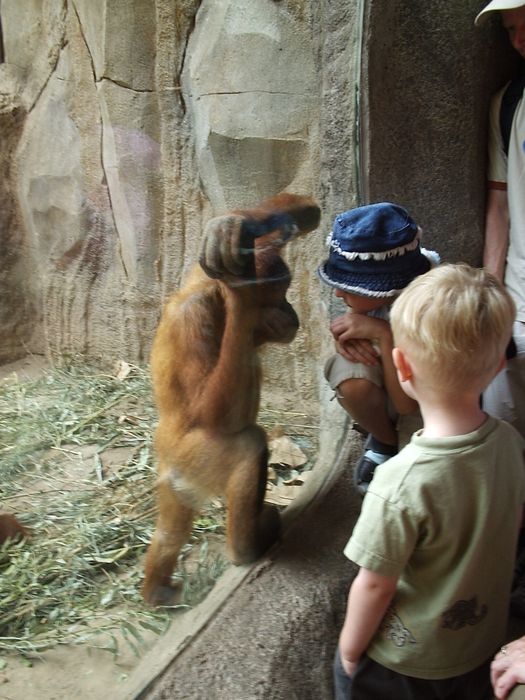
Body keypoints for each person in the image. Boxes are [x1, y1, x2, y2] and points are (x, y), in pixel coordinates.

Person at [333, 263, 525, 699]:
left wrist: (348, 652)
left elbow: (375, 583)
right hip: (478, 646)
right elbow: (510, 524)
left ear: (400, 364)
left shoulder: (399, 483)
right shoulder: (511, 443)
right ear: (498, 365)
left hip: (404, 666)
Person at [317, 202, 439, 493]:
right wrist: (348, 336)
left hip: (424, 400)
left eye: (349, 286)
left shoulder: (427, 310)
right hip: (394, 379)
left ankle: (398, 444)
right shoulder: (371, 300)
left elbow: (407, 405)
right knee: (349, 378)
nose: (337, 292)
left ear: (384, 288)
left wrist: (384, 336)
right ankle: (385, 440)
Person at [475, 1, 525, 438]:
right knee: (505, 440)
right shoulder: (508, 104)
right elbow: (499, 204)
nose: (519, 40)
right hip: (520, 306)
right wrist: (492, 302)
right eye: (511, 28)